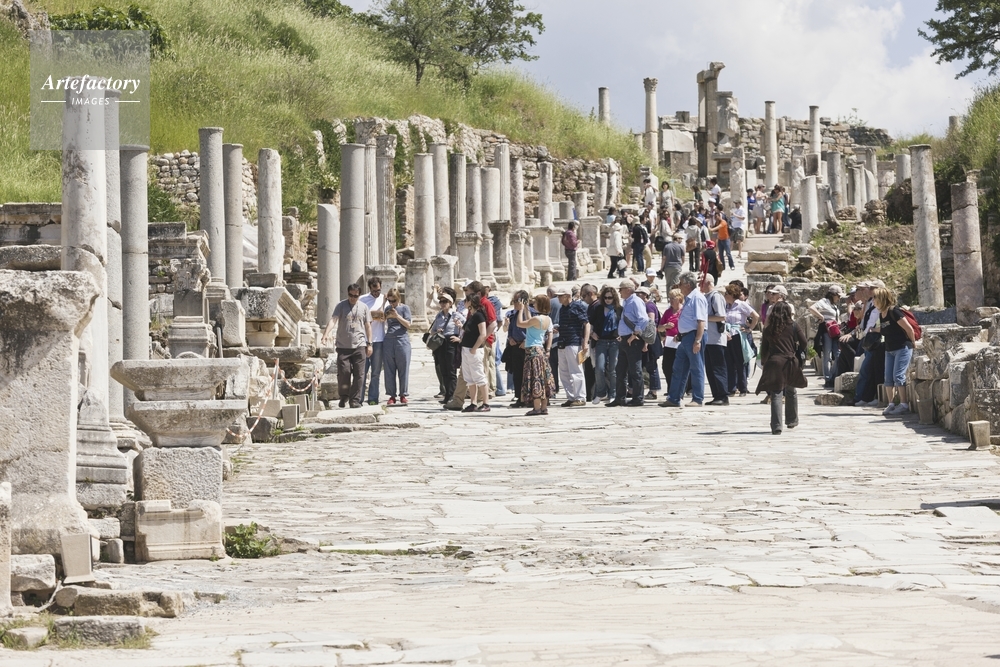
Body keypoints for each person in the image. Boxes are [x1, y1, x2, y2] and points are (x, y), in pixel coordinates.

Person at [755, 301, 807, 434]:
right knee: (791, 391)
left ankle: (776, 426)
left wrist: (765, 363)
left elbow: (764, 349)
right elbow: (804, 342)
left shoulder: (768, 329)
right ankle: (792, 420)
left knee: (776, 394)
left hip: (775, 362)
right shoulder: (793, 326)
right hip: (790, 361)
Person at [321, 284, 373, 409]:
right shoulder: (341, 305)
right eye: (351, 295)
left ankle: (354, 400)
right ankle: (344, 395)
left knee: (359, 374)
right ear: (347, 293)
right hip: (343, 346)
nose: (353, 298)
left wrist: (369, 344)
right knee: (344, 372)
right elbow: (333, 319)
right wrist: (326, 334)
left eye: (355, 296)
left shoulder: (364, 307)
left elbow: (368, 326)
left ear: (359, 295)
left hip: (359, 345)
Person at [661, 272, 707, 408]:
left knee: (696, 367)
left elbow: (701, 321)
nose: (678, 285)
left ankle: (697, 398)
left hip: (693, 336)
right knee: (679, 367)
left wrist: (697, 340)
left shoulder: (697, 298)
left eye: (680, 283)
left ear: (687, 285)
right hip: (685, 337)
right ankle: (674, 398)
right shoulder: (688, 299)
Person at [874, 287, 917, 416]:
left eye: (875, 298)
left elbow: (909, 329)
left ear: (881, 298)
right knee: (888, 377)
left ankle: (903, 404)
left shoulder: (894, 311)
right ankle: (891, 404)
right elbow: (885, 329)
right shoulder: (881, 314)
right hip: (889, 349)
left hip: (902, 347)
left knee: (898, 376)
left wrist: (913, 343)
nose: (873, 300)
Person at [608, 280, 648, 407]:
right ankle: (620, 397)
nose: (619, 292)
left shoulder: (636, 301)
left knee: (635, 370)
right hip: (624, 339)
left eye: (621, 289)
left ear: (628, 290)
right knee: (620, 370)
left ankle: (638, 398)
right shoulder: (626, 302)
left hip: (633, 340)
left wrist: (634, 334)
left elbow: (644, 319)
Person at [515, 293, 556, 416]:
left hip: (532, 351)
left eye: (536, 303)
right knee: (543, 378)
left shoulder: (536, 319)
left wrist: (520, 310)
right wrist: (526, 308)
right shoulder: (547, 319)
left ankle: (537, 408)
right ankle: (544, 407)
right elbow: (530, 320)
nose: (534, 304)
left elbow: (520, 323)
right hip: (541, 350)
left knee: (535, 378)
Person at [554, 288, 590, 407]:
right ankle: (571, 396)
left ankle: (580, 397)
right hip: (562, 342)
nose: (559, 298)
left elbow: (586, 324)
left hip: (573, 342)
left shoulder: (577, 306)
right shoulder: (562, 309)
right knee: (564, 372)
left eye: (561, 296)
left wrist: (585, 342)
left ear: (567, 296)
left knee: (576, 370)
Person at [723, 283, 759, 397]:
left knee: (740, 362)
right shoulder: (726, 306)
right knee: (729, 362)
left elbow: (755, 316)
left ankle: (742, 388)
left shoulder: (741, 304)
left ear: (732, 294)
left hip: (738, 335)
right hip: (727, 335)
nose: (725, 295)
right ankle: (731, 388)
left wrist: (750, 328)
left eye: (727, 293)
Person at [429, 291, 463, 405]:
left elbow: (466, 326)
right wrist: (436, 332)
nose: (442, 304)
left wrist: (460, 338)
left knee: (451, 370)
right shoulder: (439, 316)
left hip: (451, 342)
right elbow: (432, 331)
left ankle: (453, 395)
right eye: (441, 301)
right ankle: (447, 395)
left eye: (445, 301)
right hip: (441, 343)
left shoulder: (456, 315)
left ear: (450, 303)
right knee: (443, 370)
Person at [588, 285, 620, 404]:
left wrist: (621, 335)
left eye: (610, 298)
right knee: (599, 368)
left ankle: (613, 393)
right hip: (601, 341)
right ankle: (601, 392)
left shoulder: (619, 309)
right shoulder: (598, 309)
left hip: (614, 342)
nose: (607, 300)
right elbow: (589, 323)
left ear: (614, 298)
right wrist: (592, 333)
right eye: (605, 297)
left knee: (612, 369)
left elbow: (623, 323)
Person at [458, 294, 489, 413]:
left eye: (466, 300)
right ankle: (473, 403)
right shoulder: (471, 315)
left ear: (471, 302)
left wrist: (474, 348)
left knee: (479, 376)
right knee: (469, 378)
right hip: (466, 349)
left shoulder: (479, 315)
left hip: (474, 350)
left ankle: (485, 403)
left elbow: (483, 334)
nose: (464, 302)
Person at [808, 285, 844, 389]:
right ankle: (828, 379)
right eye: (838, 296)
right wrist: (821, 317)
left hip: (835, 331)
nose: (839, 298)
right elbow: (812, 308)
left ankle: (832, 376)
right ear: (833, 295)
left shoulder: (834, 305)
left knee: (838, 354)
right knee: (827, 355)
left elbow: (835, 317)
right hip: (826, 331)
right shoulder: (824, 302)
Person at [701, 276, 729, 405]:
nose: (699, 285)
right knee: (710, 369)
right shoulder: (705, 297)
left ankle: (723, 396)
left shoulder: (715, 296)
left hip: (716, 339)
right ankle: (716, 395)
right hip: (707, 339)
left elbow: (722, 316)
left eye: (701, 282)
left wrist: (703, 318)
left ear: (708, 282)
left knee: (718, 368)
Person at [381, 288, 412, 406]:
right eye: (390, 301)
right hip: (389, 340)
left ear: (398, 298)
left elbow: (408, 324)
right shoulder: (387, 308)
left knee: (403, 368)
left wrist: (397, 316)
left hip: (402, 340)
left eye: (393, 301)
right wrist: (384, 303)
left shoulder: (405, 308)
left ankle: (403, 394)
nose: (392, 303)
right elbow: (380, 318)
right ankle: (391, 395)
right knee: (389, 369)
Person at [504, 289, 533, 408]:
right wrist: (510, 338)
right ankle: (519, 397)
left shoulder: (531, 313)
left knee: (528, 374)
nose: (514, 303)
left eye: (516, 300)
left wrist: (526, 340)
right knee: (517, 373)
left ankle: (529, 398)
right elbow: (511, 329)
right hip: (515, 346)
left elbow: (534, 329)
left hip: (526, 346)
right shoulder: (514, 314)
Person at [360, 277, 386, 405]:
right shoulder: (362, 299)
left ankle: (373, 398)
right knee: (362, 371)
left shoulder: (384, 299)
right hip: (364, 340)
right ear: (369, 288)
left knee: (376, 372)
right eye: (374, 291)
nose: (376, 293)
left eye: (378, 290)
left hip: (379, 339)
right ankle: (358, 398)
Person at [637, 286, 662, 401]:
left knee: (651, 365)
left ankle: (654, 391)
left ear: (645, 295)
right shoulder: (644, 305)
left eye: (640, 293)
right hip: (648, 338)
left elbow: (650, 324)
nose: (637, 295)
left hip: (651, 339)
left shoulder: (649, 306)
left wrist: (646, 343)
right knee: (649, 365)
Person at [658, 288, 683, 395]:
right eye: (670, 298)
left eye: (673, 298)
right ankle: (670, 388)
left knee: (679, 367)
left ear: (679, 299)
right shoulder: (668, 312)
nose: (671, 301)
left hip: (681, 342)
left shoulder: (683, 311)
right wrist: (665, 326)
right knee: (666, 366)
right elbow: (659, 328)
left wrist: (680, 335)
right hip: (669, 343)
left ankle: (680, 389)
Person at [580, 284, 599, 401]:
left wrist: (591, 334)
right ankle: (589, 394)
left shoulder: (597, 306)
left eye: (584, 296)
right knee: (588, 369)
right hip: (588, 342)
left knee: (595, 368)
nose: (583, 299)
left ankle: (595, 393)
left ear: (590, 294)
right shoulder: (590, 307)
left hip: (594, 342)